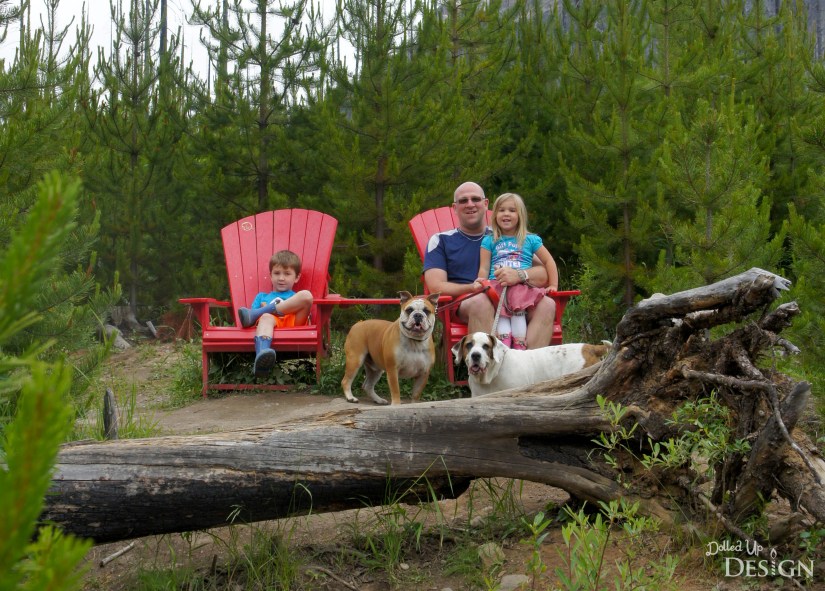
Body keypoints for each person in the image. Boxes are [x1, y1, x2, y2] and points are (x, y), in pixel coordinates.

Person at [422, 181, 557, 348]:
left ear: (485, 204)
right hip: (466, 302)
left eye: (475, 199)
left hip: (511, 297)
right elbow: (435, 286)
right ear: (455, 208)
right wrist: (472, 288)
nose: (470, 204)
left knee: (548, 305)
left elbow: (544, 272)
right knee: (481, 302)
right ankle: (489, 371)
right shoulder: (441, 240)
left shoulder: (507, 237)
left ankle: (530, 370)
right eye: (463, 201)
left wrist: (520, 275)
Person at [472, 192, 558, 349]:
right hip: (497, 287)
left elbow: (548, 261)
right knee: (502, 317)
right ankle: (503, 346)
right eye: (501, 210)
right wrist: (481, 282)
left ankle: (520, 346)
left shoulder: (530, 239)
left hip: (522, 287)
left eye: (512, 210)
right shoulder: (489, 240)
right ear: (495, 215)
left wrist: (553, 284)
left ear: (520, 215)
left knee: (518, 314)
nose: (506, 214)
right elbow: (484, 266)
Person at [237, 250, 313, 377]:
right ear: (270, 275)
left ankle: (266, 310)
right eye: (277, 273)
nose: (281, 278)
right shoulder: (261, 297)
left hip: (293, 322)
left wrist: (265, 309)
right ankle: (262, 356)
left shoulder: (296, 296)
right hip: (270, 324)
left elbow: (305, 304)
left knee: (306, 295)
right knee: (266, 317)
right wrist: (266, 314)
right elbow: (250, 321)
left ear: (297, 277)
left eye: (287, 274)